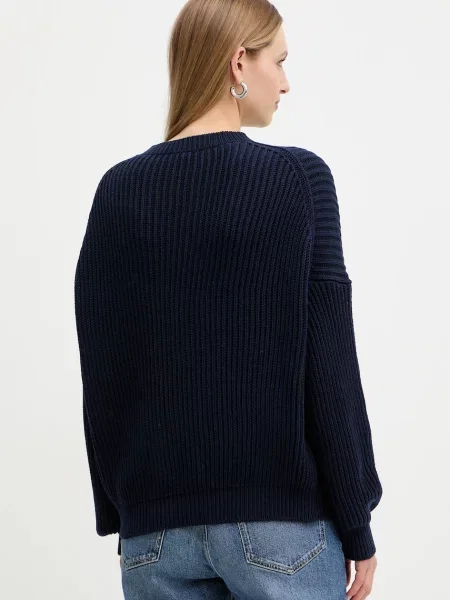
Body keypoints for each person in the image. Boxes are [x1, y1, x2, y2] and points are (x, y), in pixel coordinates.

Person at [74, 1, 383, 598]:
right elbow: (330, 364)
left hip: (154, 536)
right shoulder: (298, 180)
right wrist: (356, 519)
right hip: (278, 527)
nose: (286, 82)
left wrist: (125, 511)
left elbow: (103, 366)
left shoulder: (117, 191)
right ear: (239, 62)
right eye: (280, 61)